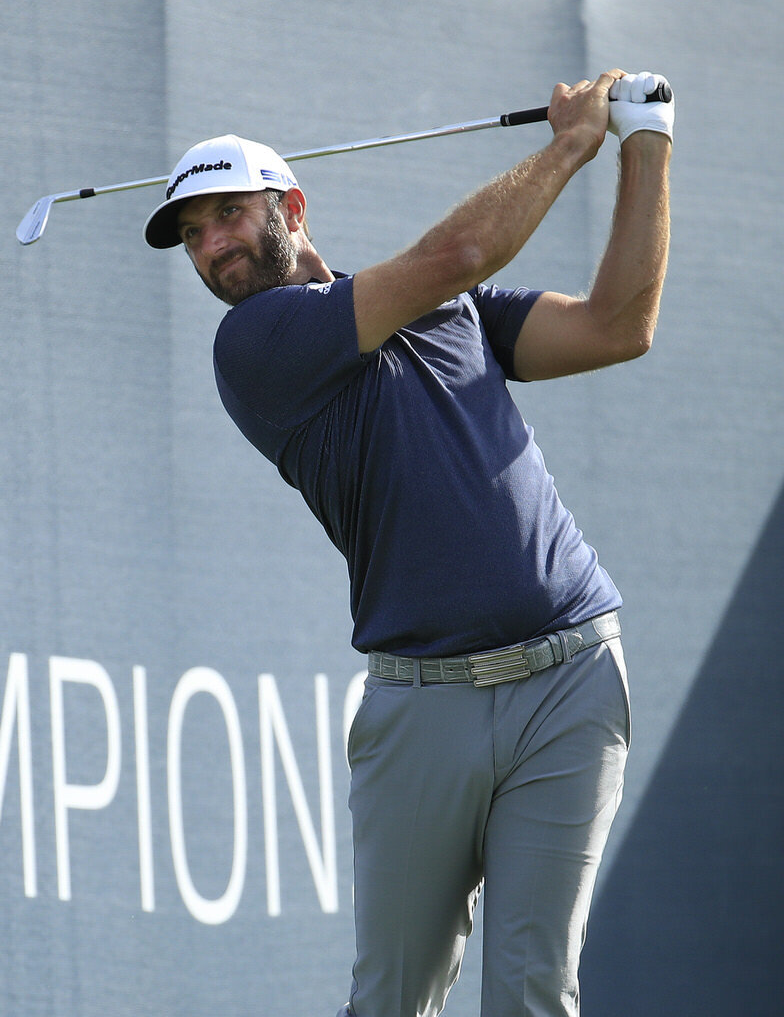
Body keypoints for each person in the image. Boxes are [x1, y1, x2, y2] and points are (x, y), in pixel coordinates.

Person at [143, 71, 672, 1017]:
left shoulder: (446, 306)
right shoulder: (255, 347)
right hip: (424, 701)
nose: (212, 245)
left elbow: (616, 325)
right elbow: (459, 250)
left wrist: (645, 140)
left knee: (533, 992)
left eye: (227, 214)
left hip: (571, 677)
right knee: (392, 997)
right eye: (193, 233)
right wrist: (570, 145)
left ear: (289, 208)